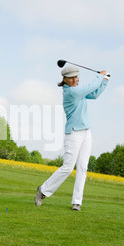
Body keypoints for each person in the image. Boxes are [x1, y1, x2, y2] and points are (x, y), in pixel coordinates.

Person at [35, 65, 109, 211]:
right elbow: (92, 85)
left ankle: (77, 202)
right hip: (74, 133)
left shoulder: (78, 91)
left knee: (82, 167)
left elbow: (94, 94)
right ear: (65, 80)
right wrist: (100, 76)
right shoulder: (71, 93)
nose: (75, 80)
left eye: (76, 77)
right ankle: (43, 190)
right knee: (68, 167)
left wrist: (105, 80)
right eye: (72, 78)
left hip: (87, 132)